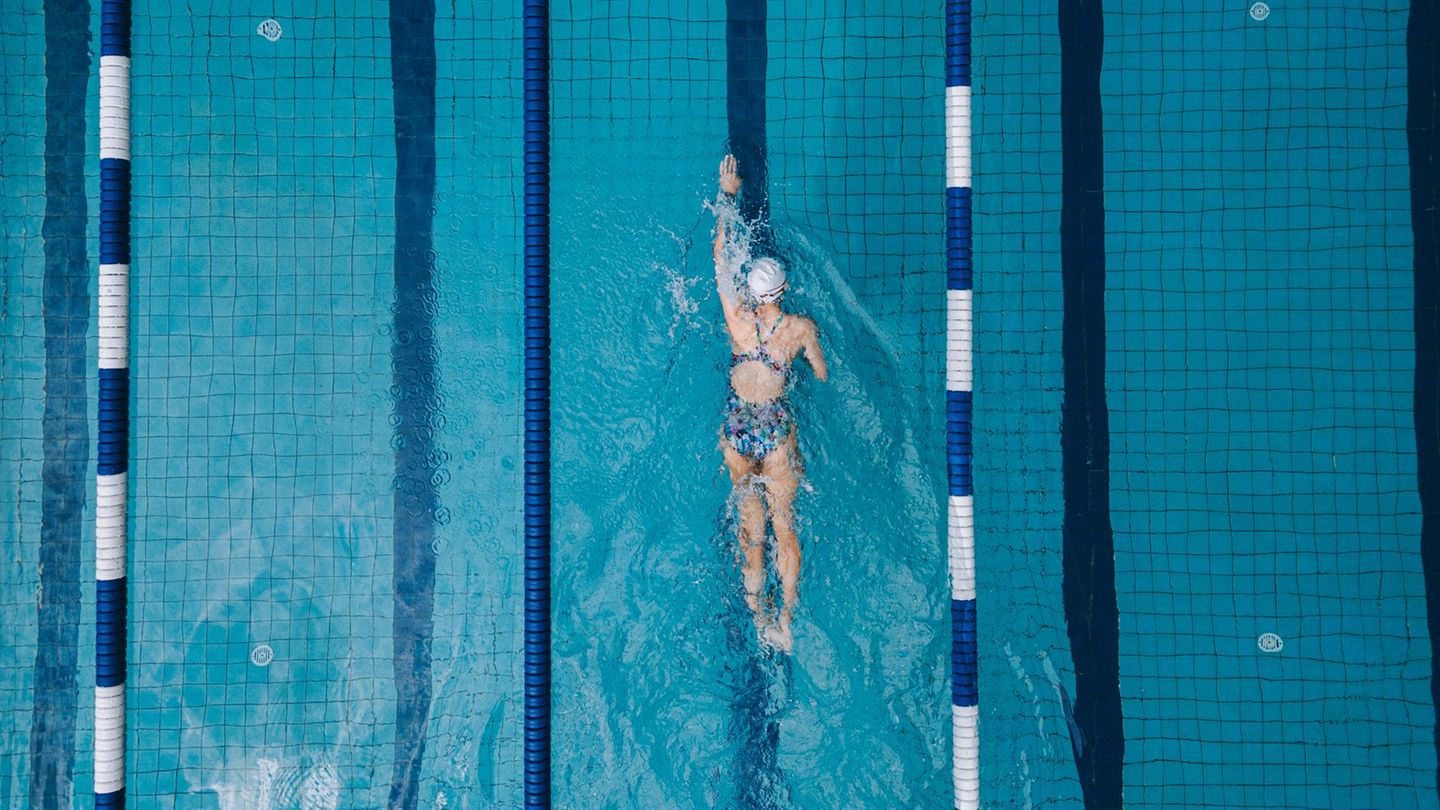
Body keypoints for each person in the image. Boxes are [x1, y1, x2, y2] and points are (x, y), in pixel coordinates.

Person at [712, 154, 828, 653]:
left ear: (754, 293)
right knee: (785, 525)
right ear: (783, 290)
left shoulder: (738, 320)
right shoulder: (801, 329)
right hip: (776, 430)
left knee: (750, 526)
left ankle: (756, 615)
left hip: (739, 426)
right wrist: (804, 363)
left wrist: (728, 194)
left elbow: (720, 256)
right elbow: (821, 375)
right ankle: (785, 621)